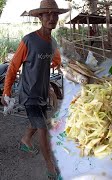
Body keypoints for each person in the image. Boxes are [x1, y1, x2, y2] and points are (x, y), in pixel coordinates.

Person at [0, 0, 69, 179]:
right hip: (29, 93)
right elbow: (13, 67)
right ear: (40, 17)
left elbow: (56, 61)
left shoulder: (52, 42)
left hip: (42, 92)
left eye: (55, 14)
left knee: (38, 121)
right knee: (43, 128)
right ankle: (51, 169)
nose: (52, 17)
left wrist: (59, 70)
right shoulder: (29, 40)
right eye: (47, 14)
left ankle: (25, 140)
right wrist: (6, 92)